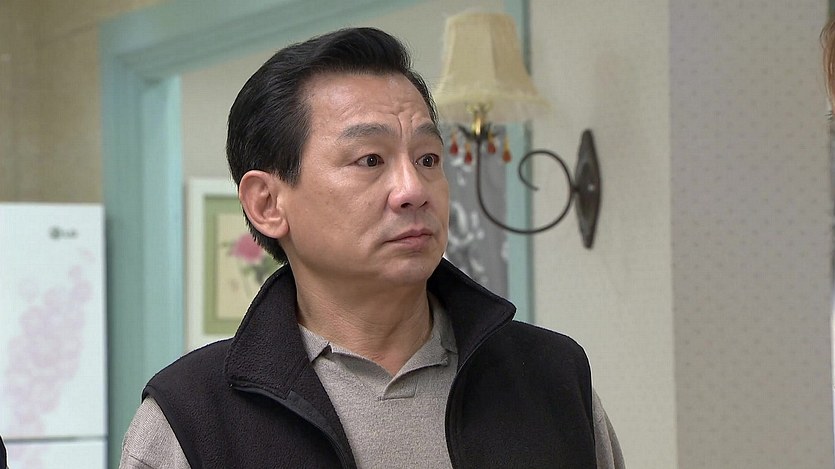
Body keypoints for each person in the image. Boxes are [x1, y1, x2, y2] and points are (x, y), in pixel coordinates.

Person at [119, 27, 624, 469]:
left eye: (428, 158)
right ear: (267, 204)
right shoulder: (191, 417)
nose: (413, 189)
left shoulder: (553, 377)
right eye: (370, 160)